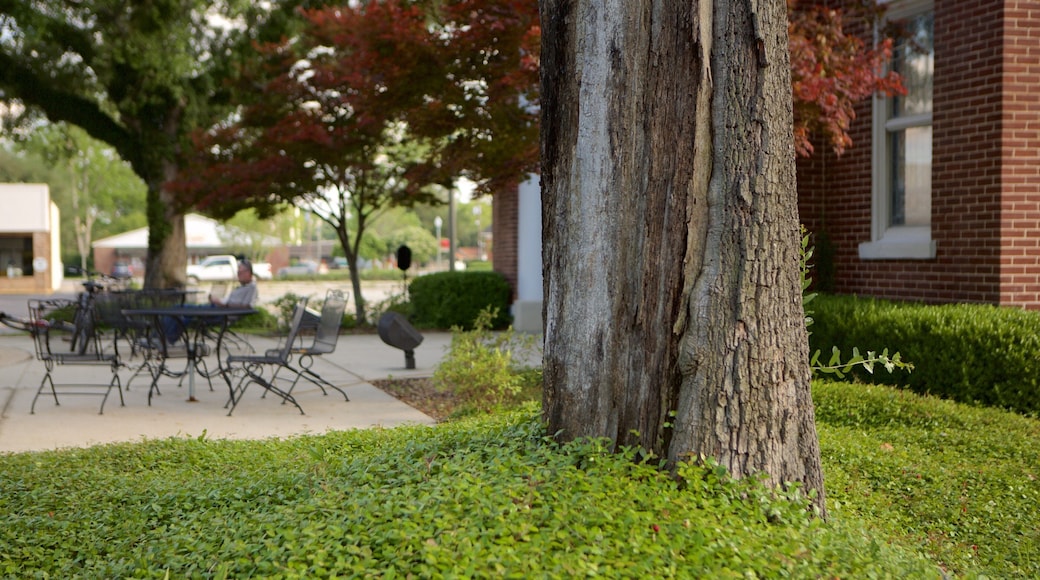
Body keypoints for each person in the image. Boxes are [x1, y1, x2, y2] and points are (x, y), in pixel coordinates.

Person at [163, 259, 259, 344]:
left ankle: (164, 338)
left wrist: (223, 304)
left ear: (248, 273)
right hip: (217, 309)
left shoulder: (252, 288)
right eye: (238, 273)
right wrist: (217, 300)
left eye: (240, 273)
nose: (238, 275)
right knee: (179, 312)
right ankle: (165, 338)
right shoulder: (242, 286)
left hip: (221, 313)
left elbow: (248, 306)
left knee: (179, 309)